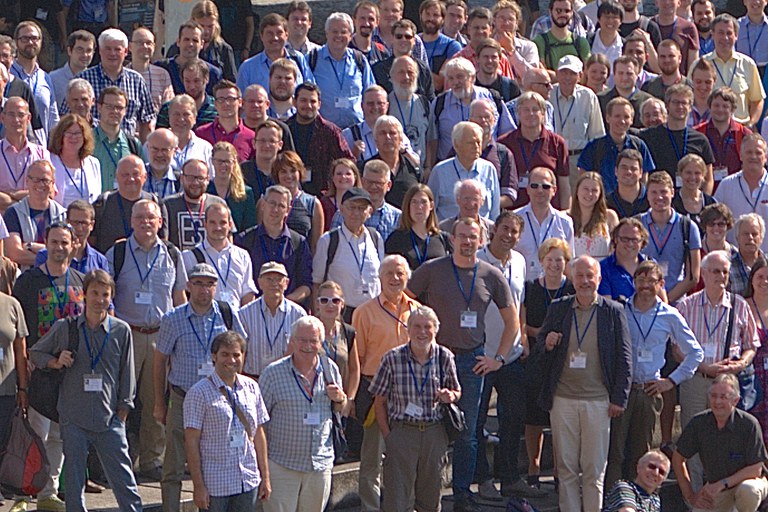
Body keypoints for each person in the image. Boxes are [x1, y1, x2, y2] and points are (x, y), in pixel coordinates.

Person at [407, 217, 520, 512]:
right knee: (427, 428)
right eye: (462, 236)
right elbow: (403, 301)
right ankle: (424, 495)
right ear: (452, 238)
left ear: (481, 240)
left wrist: (498, 359)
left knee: (467, 432)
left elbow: (512, 322)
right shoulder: (432, 270)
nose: (468, 241)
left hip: (472, 361)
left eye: (473, 237)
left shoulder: (491, 275)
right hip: (433, 359)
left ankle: (461, 494)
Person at [28, 269, 142, 512]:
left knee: (124, 480)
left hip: (108, 417)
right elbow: (36, 352)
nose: (99, 299)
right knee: (74, 483)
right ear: (84, 295)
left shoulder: (121, 331)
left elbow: (127, 373)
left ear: (111, 297)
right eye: (95, 293)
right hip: (73, 418)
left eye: (105, 294)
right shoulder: (66, 328)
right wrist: (55, 361)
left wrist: (122, 412)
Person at [532, 254, 632, 512]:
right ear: (572, 279)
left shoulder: (613, 311)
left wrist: (619, 398)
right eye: (580, 276)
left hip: (599, 401)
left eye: (590, 276)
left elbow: (624, 357)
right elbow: (539, 350)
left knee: (594, 469)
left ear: (599, 278)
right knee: (565, 468)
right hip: (563, 399)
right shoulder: (559, 307)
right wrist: (548, 343)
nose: (585, 281)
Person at [105, 199, 188, 481]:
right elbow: (107, 297)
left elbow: (179, 298)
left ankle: (152, 460)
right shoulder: (116, 253)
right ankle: (117, 459)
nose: (145, 222)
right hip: (127, 336)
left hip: (161, 338)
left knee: (156, 403)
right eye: (139, 217)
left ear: (160, 221)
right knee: (121, 401)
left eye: (150, 218)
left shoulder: (173, 255)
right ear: (131, 221)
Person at [155, 262, 246, 512]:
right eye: (198, 283)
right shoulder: (172, 319)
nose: (204, 289)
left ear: (216, 287)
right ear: (188, 286)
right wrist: (159, 403)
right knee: (173, 465)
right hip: (182, 398)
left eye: (209, 284)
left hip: (218, 398)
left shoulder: (227, 314)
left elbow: (240, 351)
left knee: (213, 460)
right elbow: (160, 359)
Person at [605, 260, 702, 487]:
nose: (645, 285)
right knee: (615, 453)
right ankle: (614, 501)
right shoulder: (620, 310)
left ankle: (639, 502)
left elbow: (695, 353)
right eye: (640, 280)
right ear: (634, 282)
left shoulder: (670, 315)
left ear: (661, 283)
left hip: (649, 390)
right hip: (622, 390)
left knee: (642, 454)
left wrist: (671, 381)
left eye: (651, 281)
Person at [12, 221, 85, 512]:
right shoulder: (28, 281)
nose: (59, 248)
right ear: (46, 244)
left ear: (73, 245)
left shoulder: (81, 280)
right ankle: (23, 493)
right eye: (53, 242)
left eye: (64, 243)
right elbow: (20, 327)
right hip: (38, 370)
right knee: (34, 435)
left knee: (58, 435)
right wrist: (25, 363)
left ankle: (48, 492)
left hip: (70, 374)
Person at [474, 211, 545, 499]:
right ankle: (483, 480)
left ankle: (510, 477)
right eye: (504, 229)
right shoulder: (477, 259)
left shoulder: (519, 261)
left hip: (512, 353)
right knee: (477, 422)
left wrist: (525, 337)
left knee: (513, 418)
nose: (508, 235)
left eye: (514, 232)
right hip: (481, 352)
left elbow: (521, 303)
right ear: (494, 230)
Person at [675, 250, 759, 489]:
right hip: (695, 379)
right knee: (693, 439)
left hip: (726, 382)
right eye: (714, 271)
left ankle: (723, 496)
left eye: (724, 271)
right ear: (703, 273)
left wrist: (741, 364)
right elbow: (676, 349)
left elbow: (751, 345)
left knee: (727, 441)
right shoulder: (686, 306)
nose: (720, 276)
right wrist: (703, 367)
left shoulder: (739, 305)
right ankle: (696, 500)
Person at [369, 305, 461, 512]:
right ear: (407, 330)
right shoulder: (392, 358)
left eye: (427, 327)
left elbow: (457, 391)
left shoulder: (445, 357)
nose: (422, 332)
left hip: (434, 432)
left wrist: (450, 396)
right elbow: (379, 400)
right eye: (417, 326)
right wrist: (389, 436)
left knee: (430, 498)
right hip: (403, 432)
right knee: (397, 500)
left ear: (435, 330)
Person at [352, 254, 420, 511]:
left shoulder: (418, 311)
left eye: (400, 273)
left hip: (409, 395)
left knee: (406, 459)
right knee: (371, 461)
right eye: (389, 273)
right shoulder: (364, 312)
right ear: (379, 278)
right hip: (375, 393)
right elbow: (356, 359)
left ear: (407, 277)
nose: (395, 278)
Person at [259, 316, 347, 512]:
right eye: (302, 340)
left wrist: (341, 399)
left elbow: (341, 409)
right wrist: (263, 469)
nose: (308, 346)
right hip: (282, 464)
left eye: (313, 341)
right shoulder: (272, 374)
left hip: (319, 463)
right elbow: (259, 424)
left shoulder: (330, 368)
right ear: (292, 340)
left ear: (321, 342)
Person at [184, 331, 271, 511]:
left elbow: (259, 433)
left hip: (247, 479)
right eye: (225, 354)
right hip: (216, 483)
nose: (231, 360)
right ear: (214, 356)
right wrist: (198, 486)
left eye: (236, 355)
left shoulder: (252, 387)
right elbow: (191, 441)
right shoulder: (198, 392)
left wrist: (265, 477)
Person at [522, 238, 575, 488]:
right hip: (536, 357)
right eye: (550, 259)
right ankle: (533, 467)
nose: (554, 264)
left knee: (558, 418)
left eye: (559, 260)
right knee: (534, 417)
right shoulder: (531, 287)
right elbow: (523, 324)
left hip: (564, 360)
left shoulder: (572, 291)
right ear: (541, 261)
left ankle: (557, 469)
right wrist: (542, 335)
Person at [673, 374, 768, 511]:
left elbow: (756, 469)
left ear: (735, 400)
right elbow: (678, 458)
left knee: (748, 490)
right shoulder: (699, 423)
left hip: (748, 482)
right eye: (713, 396)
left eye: (723, 397)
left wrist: (723, 483)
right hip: (716, 488)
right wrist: (690, 496)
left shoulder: (748, 423)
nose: (717, 402)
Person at [68, 28, 155, 142]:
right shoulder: (82, 79)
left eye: (117, 49)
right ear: (100, 51)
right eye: (108, 49)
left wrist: (144, 152)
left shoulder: (137, 81)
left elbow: (146, 122)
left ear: (126, 51)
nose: (112, 53)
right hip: (90, 148)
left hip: (127, 149)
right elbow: (67, 116)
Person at [313, 187, 385, 321]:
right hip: (340, 314)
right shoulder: (329, 240)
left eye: (361, 208)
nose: (356, 213)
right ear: (341, 208)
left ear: (369, 212)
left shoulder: (376, 238)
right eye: (352, 207)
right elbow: (317, 282)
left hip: (373, 314)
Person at [427, 57, 515, 166]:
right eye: (450, 78)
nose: (455, 82)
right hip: (451, 167)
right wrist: (429, 166)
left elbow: (507, 132)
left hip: (488, 164)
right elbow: (432, 138)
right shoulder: (440, 103)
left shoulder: (491, 98)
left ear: (472, 78)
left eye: (460, 77)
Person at [235, 185, 312, 304]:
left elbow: (306, 285)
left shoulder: (298, 243)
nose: (275, 209)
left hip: (288, 313)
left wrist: (283, 303)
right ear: (263, 205)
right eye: (272, 203)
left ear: (288, 210)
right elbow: (238, 282)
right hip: (253, 312)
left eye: (281, 206)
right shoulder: (244, 240)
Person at [689, 14, 765, 127]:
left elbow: (757, 100)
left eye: (729, 33)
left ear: (736, 36)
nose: (725, 38)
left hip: (740, 129)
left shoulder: (748, 64)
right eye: (720, 33)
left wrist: (751, 124)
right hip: (708, 129)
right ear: (712, 34)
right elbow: (689, 98)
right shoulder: (699, 65)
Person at [498, 91, 570, 210]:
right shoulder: (504, 143)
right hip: (514, 213)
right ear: (518, 113)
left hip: (549, 212)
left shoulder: (557, 143)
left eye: (535, 109)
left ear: (543, 114)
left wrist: (565, 212)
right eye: (525, 109)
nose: (530, 113)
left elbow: (564, 184)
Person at [639, 171, 702, 303]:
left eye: (663, 192)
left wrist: (665, 301)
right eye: (654, 193)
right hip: (642, 300)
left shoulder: (688, 226)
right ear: (647, 195)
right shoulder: (636, 225)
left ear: (672, 193)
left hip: (676, 302)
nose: (659, 197)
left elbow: (693, 276)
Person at [182, 202, 257, 310]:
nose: (218, 227)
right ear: (205, 224)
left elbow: (248, 293)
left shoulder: (242, 255)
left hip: (235, 322)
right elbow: (183, 294)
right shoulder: (189, 257)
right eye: (213, 222)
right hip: (203, 323)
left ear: (230, 225)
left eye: (222, 222)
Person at [239, 261, 307, 379]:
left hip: (287, 379)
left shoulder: (299, 314)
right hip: (253, 379)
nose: (274, 283)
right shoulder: (244, 314)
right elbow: (239, 351)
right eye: (269, 279)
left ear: (286, 283)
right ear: (259, 283)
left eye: (278, 279)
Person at [286, 82, 355, 196]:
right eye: (303, 100)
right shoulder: (285, 129)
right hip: (290, 192)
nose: (308, 105)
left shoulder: (330, 131)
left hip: (323, 195)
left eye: (312, 101)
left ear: (319, 104)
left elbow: (348, 162)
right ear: (294, 102)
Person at [90, 155, 168, 254]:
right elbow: (92, 242)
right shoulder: (102, 203)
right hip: (109, 266)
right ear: (117, 177)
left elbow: (164, 241)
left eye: (136, 174)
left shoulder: (156, 204)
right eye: (125, 175)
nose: (131, 179)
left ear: (145, 177)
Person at [309, 12, 375, 129]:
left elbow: (371, 93)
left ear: (350, 35)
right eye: (334, 31)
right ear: (327, 33)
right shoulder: (312, 59)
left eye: (343, 32)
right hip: (324, 131)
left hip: (356, 131)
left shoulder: (359, 60)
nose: (339, 35)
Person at [578, 98, 656, 194]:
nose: (622, 121)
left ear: (632, 120)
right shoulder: (594, 147)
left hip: (633, 204)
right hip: (603, 204)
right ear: (607, 118)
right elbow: (583, 179)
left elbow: (644, 179)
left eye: (626, 117)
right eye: (617, 116)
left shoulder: (639, 145)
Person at [428, 122, 500, 222]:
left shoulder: (489, 169)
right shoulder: (440, 172)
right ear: (456, 144)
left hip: (481, 234)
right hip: (448, 233)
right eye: (471, 142)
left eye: (478, 142)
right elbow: (430, 211)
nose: (476, 146)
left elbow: (494, 212)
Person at [551, 55, 605, 186]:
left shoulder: (588, 96)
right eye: (563, 72)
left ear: (580, 76)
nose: (567, 77)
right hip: (552, 158)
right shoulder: (548, 94)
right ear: (557, 74)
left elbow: (597, 135)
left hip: (578, 160)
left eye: (572, 73)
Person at [4, 160, 66, 269]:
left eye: (45, 180)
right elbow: (15, 254)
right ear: (27, 181)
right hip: (23, 280)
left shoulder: (63, 214)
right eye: (35, 180)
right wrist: (52, 256)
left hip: (55, 279)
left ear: (53, 183)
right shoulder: (13, 213)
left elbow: (69, 251)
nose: (40, 184)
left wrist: (30, 246)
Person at [514, 167, 575, 276]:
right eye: (534, 186)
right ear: (528, 189)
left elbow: (569, 262)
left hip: (555, 290)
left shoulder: (565, 222)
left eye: (545, 186)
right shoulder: (514, 219)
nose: (540, 190)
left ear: (554, 190)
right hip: (523, 287)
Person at [713, 134, 768, 253]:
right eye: (749, 152)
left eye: (758, 153)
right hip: (733, 260)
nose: (753, 156)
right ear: (741, 155)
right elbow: (714, 221)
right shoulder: (726, 185)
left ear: (766, 157)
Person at [314, 280, 359, 417]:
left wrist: (349, 399)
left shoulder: (348, 332)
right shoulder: (307, 329)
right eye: (324, 300)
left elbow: (354, 370)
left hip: (340, 403)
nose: (330, 305)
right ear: (317, 303)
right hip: (313, 400)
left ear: (342, 304)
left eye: (335, 300)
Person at [236, 13, 312, 94]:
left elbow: (310, 91)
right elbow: (241, 102)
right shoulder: (248, 68)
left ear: (286, 35)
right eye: (269, 33)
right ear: (261, 36)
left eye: (279, 33)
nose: (275, 38)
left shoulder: (298, 60)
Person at [10, 21, 58, 147]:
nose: (30, 42)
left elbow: (53, 119)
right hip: (10, 151)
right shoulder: (7, 76)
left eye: (34, 38)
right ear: (16, 42)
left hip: (40, 151)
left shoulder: (46, 78)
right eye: (25, 38)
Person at [164, 1, 237, 82]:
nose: (206, 31)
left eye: (210, 26)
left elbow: (231, 81)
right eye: (202, 26)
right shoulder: (179, 47)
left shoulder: (224, 49)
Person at [163, 159, 227, 251]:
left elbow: (228, 237)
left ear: (208, 180)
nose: (195, 182)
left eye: (200, 178)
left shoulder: (218, 204)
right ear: (182, 178)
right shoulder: (168, 204)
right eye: (190, 177)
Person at [0, 97, 51, 211]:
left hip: (32, 223)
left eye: (21, 115)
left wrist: (10, 195)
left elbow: (49, 192)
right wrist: (28, 197)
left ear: (28, 119)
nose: (16, 119)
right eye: (11, 114)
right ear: (2, 118)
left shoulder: (41, 154)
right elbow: (38, 195)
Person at [385, 184, 451, 270]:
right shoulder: (396, 239)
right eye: (414, 202)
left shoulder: (443, 238)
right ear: (408, 206)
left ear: (431, 205)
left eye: (423, 202)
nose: (419, 207)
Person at [90, 87, 144, 192]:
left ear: (125, 111)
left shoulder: (133, 144)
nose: (114, 111)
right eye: (109, 107)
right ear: (99, 107)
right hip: (95, 205)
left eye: (119, 107)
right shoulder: (86, 140)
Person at [34, 200, 109, 274]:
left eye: (84, 223)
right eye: (75, 222)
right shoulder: (45, 255)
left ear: (92, 225)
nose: (79, 228)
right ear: (67, 222)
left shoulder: (100, 261)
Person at [269, 151, 324, 251]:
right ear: (277, 174)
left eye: (293, 171)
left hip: (300, 262)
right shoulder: (266, 201)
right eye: (283, 171)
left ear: (300, 172)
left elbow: (316, 247)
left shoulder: (313, 204)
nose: (289, 176)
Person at [694, 86, 751, 180]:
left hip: (735, 188)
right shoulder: (697, 133)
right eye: (716, 105)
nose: (720, 110)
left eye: (725, 106)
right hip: (705, 188)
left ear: (733, 109)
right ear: (709, 106)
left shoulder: (743, 134)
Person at [365, 115, 422, 208]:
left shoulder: (412, 167)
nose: (388, 137)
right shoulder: (366, 169)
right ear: (376, 141)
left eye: (392, 133)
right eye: (382, 133)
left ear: (400, 140)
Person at [371, 19, 435, 101]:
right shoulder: (379, 69)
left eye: (408, 37)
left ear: (414, 41)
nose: (403, 39)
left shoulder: (423, 69)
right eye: (399, 36)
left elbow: (430, 100)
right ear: (392, 39)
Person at [156, 22, 223, 98]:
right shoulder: (161, 68)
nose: (190, 44)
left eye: (195, 40)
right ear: (178, 42)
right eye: (186, 39)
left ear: (202, 44)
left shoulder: (213, 74)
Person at [387, 56, 432, 169]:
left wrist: (428, 167)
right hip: (396, 169)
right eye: (401, 72)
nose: (406, 77)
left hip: (420, 170)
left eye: (410, 72)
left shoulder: (424, 103)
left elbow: (431, 138)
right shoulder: (386, 104)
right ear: (391, 76)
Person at [195, 80, 255, 163]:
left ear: (240, 102)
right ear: (215, 104)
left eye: (231, 99)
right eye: (221, 99)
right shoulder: (201, 133)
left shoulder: (251, 137)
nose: (226, 103)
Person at [49, 113, 101, 207]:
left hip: (86, 219)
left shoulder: (93, 163)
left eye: (78, 133)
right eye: (68, 132)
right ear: (60, 136)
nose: (73, 137)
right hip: (59, 219)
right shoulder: (49, 161)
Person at [208, 141, 257, 233]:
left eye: (227, 161)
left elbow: (250, 228)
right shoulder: (205, 190)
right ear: (212, 161)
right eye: (219, 161)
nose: (223, 165)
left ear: (234, 162)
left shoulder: (246, 192)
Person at [599, 218, 653, 300]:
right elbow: (607, 306)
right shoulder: (603, 268)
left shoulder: (651, 265)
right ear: (616, 239)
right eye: (625, 239)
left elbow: (662, 299)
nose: (630, 244)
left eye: (635, 240)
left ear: (642, 242)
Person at [569, 172, 619, 260]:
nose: (590, 194)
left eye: (594, 190)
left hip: (602, 271)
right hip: (574, 271)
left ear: (600, 194)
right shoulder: (564, 217)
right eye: (585, 189)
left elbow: (618, 247)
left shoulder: (610, 217)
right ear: (577, 191)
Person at [156, 60, 217, 130]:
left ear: (206, 79)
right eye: (187, 81)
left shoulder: (217, 108)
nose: (192, 86)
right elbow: (160, 137)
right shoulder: (168, 108)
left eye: (196, 81)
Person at [602, 450, 670, 512]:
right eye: (651, 466)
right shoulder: (624, 487)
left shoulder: (655, 500)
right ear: (638, 467)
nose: (655, 473)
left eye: (661, 472)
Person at [126, 28, 174, 115]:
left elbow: (169, 107)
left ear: (154, 47)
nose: (144, 46)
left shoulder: (162, 74)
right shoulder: (122, 74)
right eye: (139, 42)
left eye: (149, 43)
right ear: (130, 47)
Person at [598, 56, 654, 129]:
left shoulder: (648, 101)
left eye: (629, 73)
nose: (625, 77)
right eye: (621, 73)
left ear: (637, 75)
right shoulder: (600, 99)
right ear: (614, 75)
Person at [419, 0, 462, 88]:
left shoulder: (452, 46)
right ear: (420, 16)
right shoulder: (412, 41)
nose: (431, 19)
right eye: (427, 14)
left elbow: (440, 83)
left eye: (435, 15)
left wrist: (414, 67)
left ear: (443, 19)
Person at [49, 30, 95, 110]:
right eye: (80, 50)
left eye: (89, 50)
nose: (85, 55)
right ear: (69, 51)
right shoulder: (53, 79)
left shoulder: (95, 79)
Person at [166, 94, 214, 170]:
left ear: (194, 118)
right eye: (176, 114)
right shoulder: (154, 145)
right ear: (169, 116)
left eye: (186, 114)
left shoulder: (205, 148)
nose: (181, 119)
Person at [240, 119, 281, 202]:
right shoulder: (242, 171)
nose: (267, 145)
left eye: (272, 141)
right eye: (262, 141)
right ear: (254, 143)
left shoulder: (286, 171)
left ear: (280, 145)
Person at [673, 154, 717, 227]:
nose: (693, 177)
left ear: (703, 175)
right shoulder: (672, 202)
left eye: (697, 173)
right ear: (680, 174)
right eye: (688, 173)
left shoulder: (711, 202)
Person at [729, 214, 765, 297]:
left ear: (761, 238)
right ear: (737, 238)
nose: (750, 237)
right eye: (745, 234)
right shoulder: (727, 267)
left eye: (754, 234)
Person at [320, 159, 361, 232]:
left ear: (355, 177)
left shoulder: (362, 203)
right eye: (339, 174)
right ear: (333, 177)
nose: (343, 177)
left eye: (348, 174)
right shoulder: (323, 203)